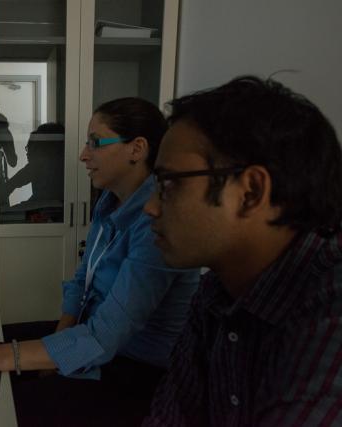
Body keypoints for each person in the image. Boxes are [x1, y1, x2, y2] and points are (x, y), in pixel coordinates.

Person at [0, 97, 200, 426]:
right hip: (93, 335)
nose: (83, 154)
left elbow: (105, 338)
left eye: (95, 143)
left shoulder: (155, 225)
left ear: (137, 148)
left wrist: (3, 356)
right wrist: (55, 342)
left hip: (135, 367)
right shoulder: (108, 202)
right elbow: (81, 282)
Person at [142, 76, 342, 426]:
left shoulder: (331, 306)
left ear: (250, 192)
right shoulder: (216, 290)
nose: (151, 207)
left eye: (169, 183)